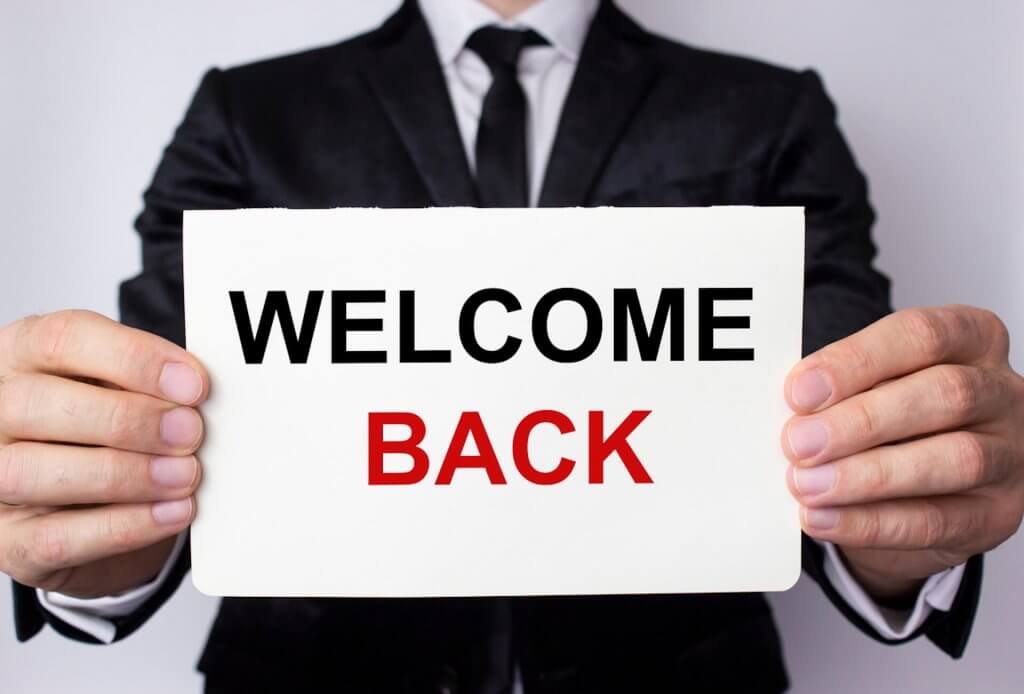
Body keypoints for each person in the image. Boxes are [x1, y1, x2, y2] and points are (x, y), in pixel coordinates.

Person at [2, 0, 1022, 691]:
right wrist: (95, 527)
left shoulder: (766, 113)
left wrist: (902, 529)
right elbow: (159, 416)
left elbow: (843, 421)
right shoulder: (251, 111)